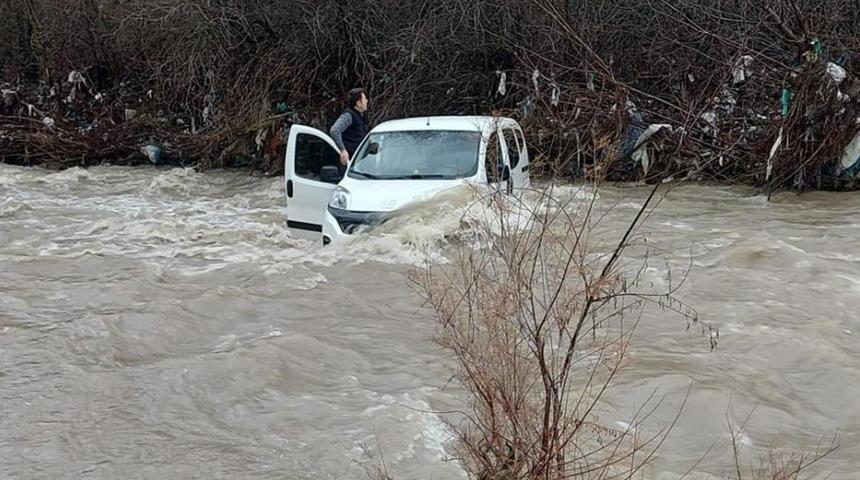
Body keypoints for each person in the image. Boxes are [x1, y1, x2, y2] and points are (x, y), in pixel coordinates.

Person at [329, 88, 369, 171]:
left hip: (359, 161)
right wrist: (343, 151)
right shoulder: (348, 115)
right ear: (358, 103)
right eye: (365, 99)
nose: (367, 101)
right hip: (349, 163)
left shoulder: (361, 116)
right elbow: (335, 130)